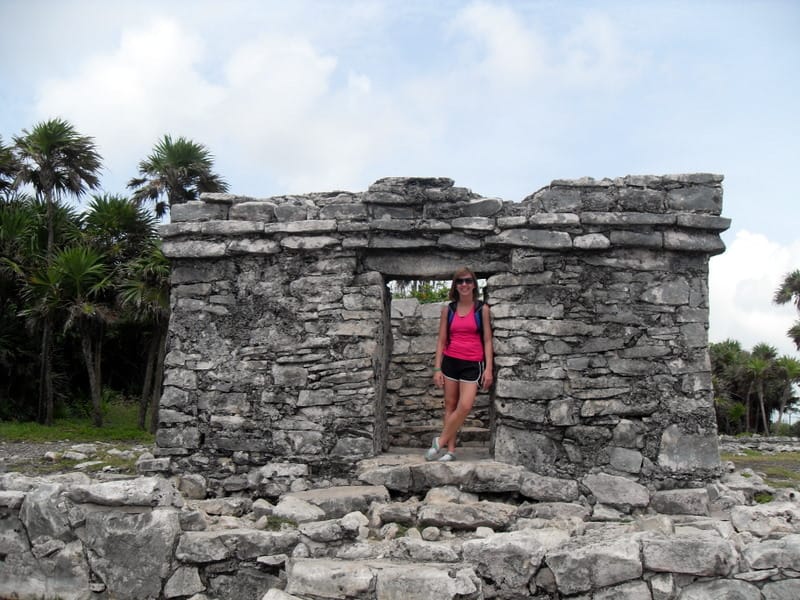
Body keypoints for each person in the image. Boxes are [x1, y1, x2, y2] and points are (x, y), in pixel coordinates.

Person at [427, 267, 494, 462]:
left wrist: (488, 368)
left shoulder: (482, 309)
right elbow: (441, 340)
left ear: (474, 284)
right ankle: (450, 451)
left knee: (464, 406)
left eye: (467, 281)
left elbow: (488, 341)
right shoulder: (448, 310)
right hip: (450, 362)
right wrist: (437, 368)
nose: (464, 285)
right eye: (459, 281)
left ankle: (439, 442)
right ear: (455, 286)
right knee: (450, 405)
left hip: (473, 363)